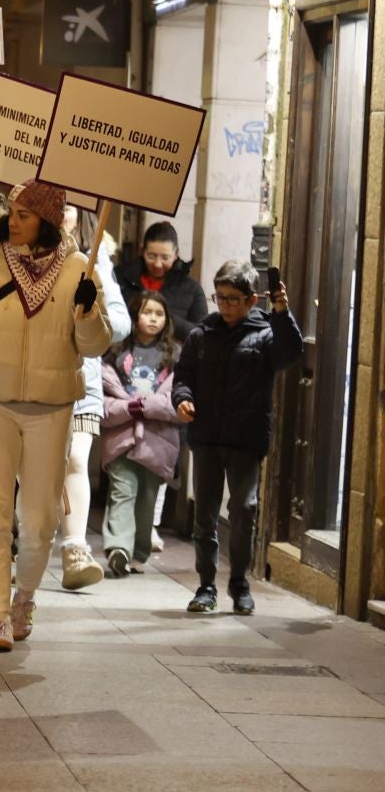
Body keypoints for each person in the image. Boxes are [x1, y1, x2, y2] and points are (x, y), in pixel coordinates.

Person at [0, 181, 111, 651]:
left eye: (24, 215)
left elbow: (94, 346)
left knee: (39, 521)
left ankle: (24, 597)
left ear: (47, 221)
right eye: (11, 212)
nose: (12, 221)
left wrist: (88, 312)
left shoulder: (79, 269)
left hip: (52, 406)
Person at [173, 261, 301, 615]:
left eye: (233, 298)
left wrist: (282, 312)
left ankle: (240, 583)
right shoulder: (201, 335)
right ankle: (206, 587)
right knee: (205, 515)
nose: (225, 305)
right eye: (220, 297)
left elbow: (291, 353)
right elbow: (183, 376)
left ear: (251, 300)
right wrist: (182, 398)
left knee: (244, 510)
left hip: (246, 437)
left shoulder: (266, 334)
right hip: (207, 437)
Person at [50, 202, 131, 592]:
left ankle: (75, 548)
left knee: (76, 459)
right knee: (30, 471)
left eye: (68, 207)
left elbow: (121, 322)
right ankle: (22, 544)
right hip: (33, 380)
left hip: (81, 379)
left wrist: (90, 312)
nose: (61, 214)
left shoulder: (94, 260)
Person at [100, 290, 185, 578]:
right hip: (122, 437)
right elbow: (103, 400)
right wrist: (129, 409)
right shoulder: (115, 354)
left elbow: (179, 401)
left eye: (159, 314)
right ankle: (118, 548)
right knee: (122, 491)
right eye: (147, 312)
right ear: (134, 316)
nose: (152, 318)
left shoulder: (174, 356)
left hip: (157, 442)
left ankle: (137, 552)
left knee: (147, 499)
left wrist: (145, 407)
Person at [114, 221, 207, 339]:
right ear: (142, 251)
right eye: (151, 256)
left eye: (165, 258)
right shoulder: (120, 278)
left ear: (176, 254)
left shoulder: (192, 289)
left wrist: (168, 319)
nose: (158, 264)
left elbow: (203, 336)